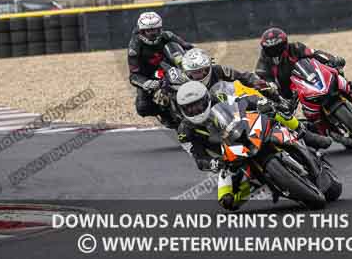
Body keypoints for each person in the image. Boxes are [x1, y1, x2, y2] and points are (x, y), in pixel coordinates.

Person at [175, 80, 331, 211]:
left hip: (243, 131)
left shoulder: (219, 97)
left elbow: (243, 99)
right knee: (227, 202)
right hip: (226, 159)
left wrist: (260, 102)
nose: (195, 110)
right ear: (182, 110)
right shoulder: (184, 132)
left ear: (206, 99)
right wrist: (216, 163)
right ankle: (257, 184)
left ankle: (306, 135)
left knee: (274, 112)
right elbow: (199, 158)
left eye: (198, 105)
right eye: (189, 108)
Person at [127, 12, 193, 125]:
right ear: (142, 31)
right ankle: (165, 114)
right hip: (148, 75)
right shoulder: (135, 47)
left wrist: (200, 57)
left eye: (156, 30)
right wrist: (146, 83)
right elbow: (133, 75)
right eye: (149, 31)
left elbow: (188, 47)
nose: (153, 34)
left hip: (172, 68)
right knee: (143, 107)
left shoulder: (168, 36)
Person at [180, 47, 280, 99]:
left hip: (226, 109)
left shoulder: (218, 70)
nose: (198, 75)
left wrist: (256, 82)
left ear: (208, 68)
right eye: (193, 73)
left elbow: (242, 76)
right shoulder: (184, 83)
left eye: (200, 71)